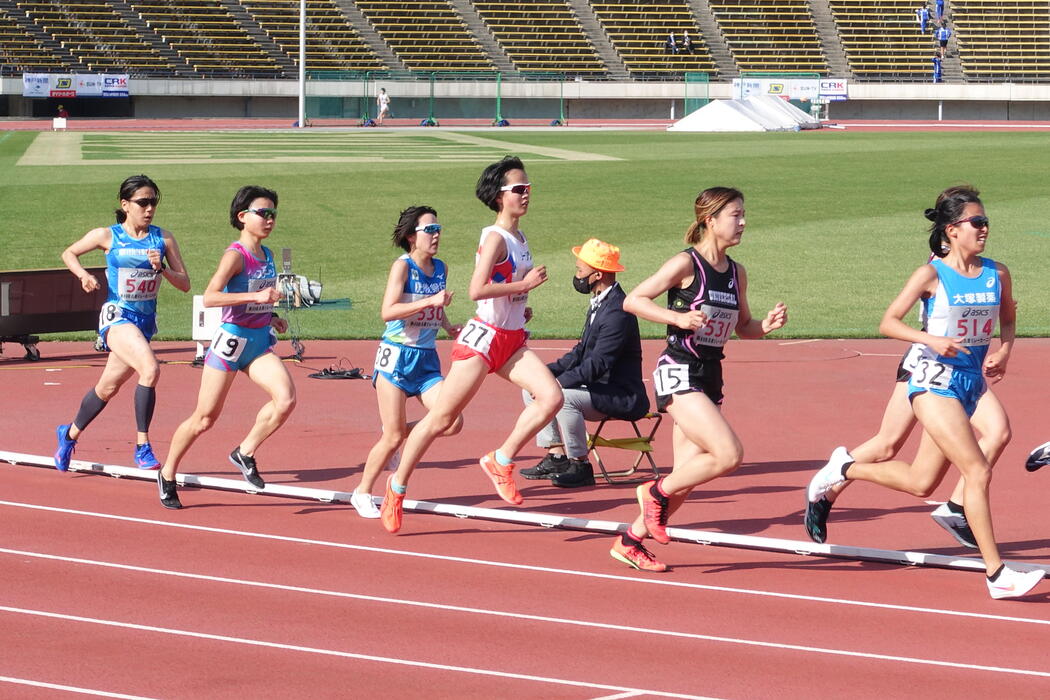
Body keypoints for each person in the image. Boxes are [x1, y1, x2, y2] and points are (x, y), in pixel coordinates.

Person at [807, 186, 1043, 600]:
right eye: (976, 222)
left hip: (972, 380)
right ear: (952, 230)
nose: (984, 228)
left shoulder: (997, 273)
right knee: (977, 470)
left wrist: (1004, 351)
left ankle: (844, 469)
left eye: (986, 221)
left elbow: (1008, 318)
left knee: (922, 482)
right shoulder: (931, 274)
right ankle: (996, 574)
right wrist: (930, 340)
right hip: (933, 380)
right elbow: (888, 322)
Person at [378, 155, 563, 533]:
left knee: (552, 397)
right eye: (519, 189)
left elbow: (502, 290)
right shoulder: (495, 236)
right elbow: (477, 289)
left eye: (529, 187)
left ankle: (501, 458)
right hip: (483, 340)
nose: (527, 193)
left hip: (510, 339)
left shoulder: (520, 237)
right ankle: (395, 489)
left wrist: (519, 305)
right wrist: (523, 287)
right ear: (499, 196)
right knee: (441, 420)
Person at [614, 187, 788, 572]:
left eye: (744, 215)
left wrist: (766, 326)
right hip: (678, 369)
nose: (742, 223)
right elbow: (633, 300)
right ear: (710, 220)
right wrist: (676, 318)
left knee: (686, 480)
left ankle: (630, 541)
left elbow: (744, 327)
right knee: (729, 455)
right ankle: (652, 491)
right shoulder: (686, 263)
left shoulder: (736, 272)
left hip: (711, 375)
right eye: (735, 215)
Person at [156, 185, 295, 509]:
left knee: (286, 399)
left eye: (273, 213)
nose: (270, 219)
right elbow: (210, 297)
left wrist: (270, 315)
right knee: (204, 418)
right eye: (264, 213)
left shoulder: (268, 255)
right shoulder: (236, 255)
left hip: (258, 342)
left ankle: (244, 451)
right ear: (242, 216)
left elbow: (258, 297)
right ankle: (167, 473)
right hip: (230, 343)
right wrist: (255, 297)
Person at [54, 175, 191, 473]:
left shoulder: (163, 239)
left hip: (143, 323)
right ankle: (142, 446)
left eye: (153, 201)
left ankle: (68, 434)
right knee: (151, 369)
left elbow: (185, 284)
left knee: (107, 388)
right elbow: (70, 253)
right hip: (117, 316)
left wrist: (162, 268)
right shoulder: (108, 235)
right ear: (125, 204)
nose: (149, 208)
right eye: (143, 202)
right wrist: (84, 276)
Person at [349, 206, 464, 518]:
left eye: (438, 228)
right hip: (396, 357)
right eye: (430, 229)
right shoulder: (402, 267)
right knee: (393, 436)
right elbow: (388, 311)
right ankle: (362, 492)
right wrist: (430, 301)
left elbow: (436, 307)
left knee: (452, 420)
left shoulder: (441, 267)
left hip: (426, 360)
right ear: (413, 236)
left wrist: (448, 325)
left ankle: (398, 430)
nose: (437, 234)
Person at [519, 238, 648, 488]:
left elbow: (597, 364)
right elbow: (580, 352)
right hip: (599, 389)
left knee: (563, 397)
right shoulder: (601, 302)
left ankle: (580, 464)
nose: (577, 275)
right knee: (531, 388)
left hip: (621, 395)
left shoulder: (617, 312)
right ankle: (557, 455)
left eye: (580, 270)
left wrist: (556, 384)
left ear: (597, 274)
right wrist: (544, 374)